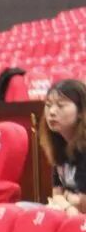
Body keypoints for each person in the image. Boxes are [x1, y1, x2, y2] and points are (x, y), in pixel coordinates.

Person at [39, 79, 86, 215]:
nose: (52, 112)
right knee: (21, 207)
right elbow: (56, 195)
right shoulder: (58, 144)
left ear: (81, 111)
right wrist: (69, 204)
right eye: (48, 105)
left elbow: (83, 205)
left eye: (60, 105)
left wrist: (65, 199)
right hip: (69, 213)